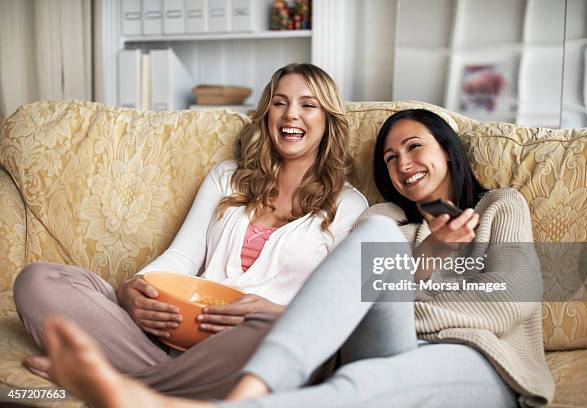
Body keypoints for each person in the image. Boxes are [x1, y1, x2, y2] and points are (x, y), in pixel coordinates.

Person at [39, 109, 555, 407]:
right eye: (390, 158)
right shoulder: (387, 222)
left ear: (447, 151)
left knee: (363, 388)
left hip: (477, 357)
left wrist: (408, 289)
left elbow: (505, 305)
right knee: (374, 239)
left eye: (415, 148)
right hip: (385, 343)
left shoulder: (497, 208)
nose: (403, 164)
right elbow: (366, 301)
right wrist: (423, 260)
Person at [12, 63, 368, 398]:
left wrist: (273, 312)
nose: (291, 113)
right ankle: (157, 381)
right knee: (38, 280)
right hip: (180, 330)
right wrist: (132, 291)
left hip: (254, 341)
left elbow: (335, 307)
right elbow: (182, 256)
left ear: (328, 120)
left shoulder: (350, 206)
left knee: (288, 337)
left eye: (308, 105)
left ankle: (105, 381)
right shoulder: (227, 177)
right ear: (267, 115)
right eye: (280, 103)